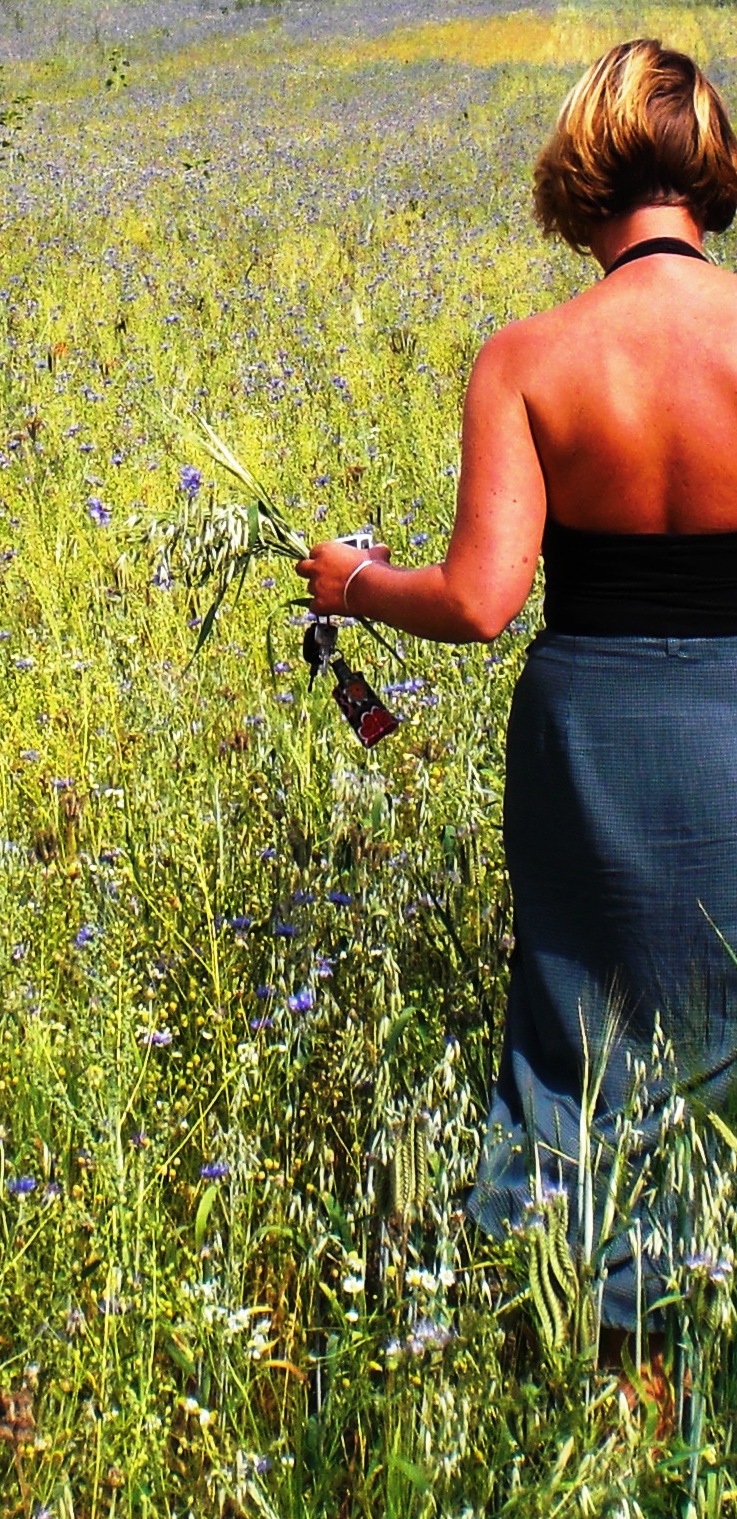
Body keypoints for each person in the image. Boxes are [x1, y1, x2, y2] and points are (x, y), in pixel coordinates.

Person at [296, 38, 737, 1334]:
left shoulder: (529, 358)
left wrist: (350, 584)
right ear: (704, 166)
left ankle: (607, 1347)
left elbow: (481, 601)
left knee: (584, 1046)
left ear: (580, 166)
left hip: (590, 737)